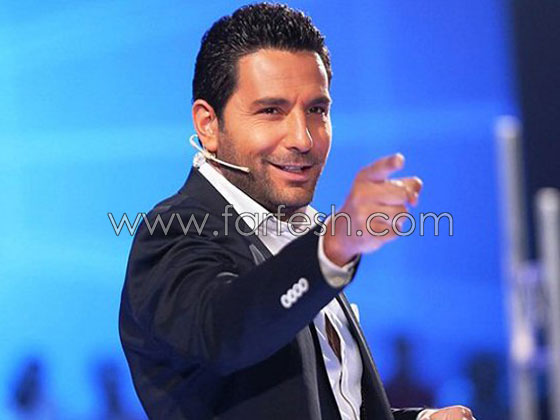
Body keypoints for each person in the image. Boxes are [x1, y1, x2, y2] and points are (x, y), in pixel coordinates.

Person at [119, 3, 475, 419]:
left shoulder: (303, 234)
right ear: (208, 125)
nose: (303, 139)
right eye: (271, 111)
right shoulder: (174, 230)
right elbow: (225, 329)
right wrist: (330, 249)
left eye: (317, 110)